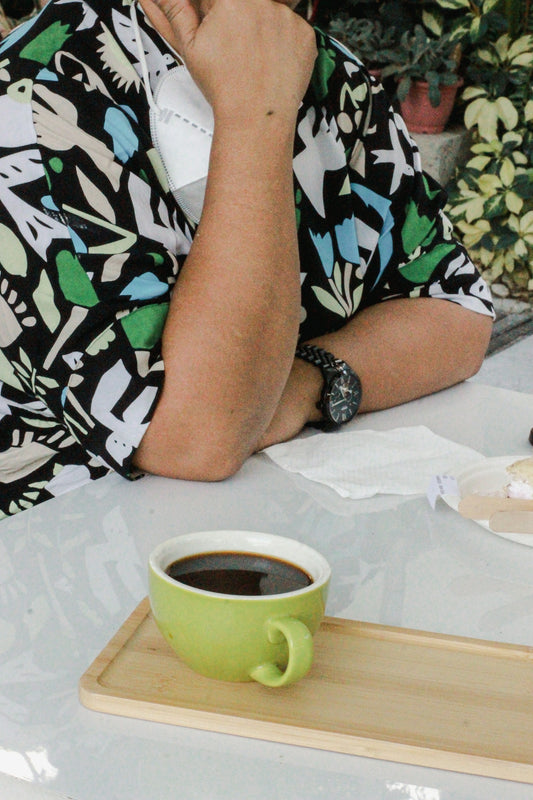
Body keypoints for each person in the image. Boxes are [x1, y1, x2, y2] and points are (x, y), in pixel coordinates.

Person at [0, 0, 493, 518]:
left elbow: (457, 311)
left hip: (287, 530)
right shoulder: (31, 103)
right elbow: (196, 437)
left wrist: (306, 384)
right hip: (68, 559)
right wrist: (256, 118)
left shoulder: (321, 66)